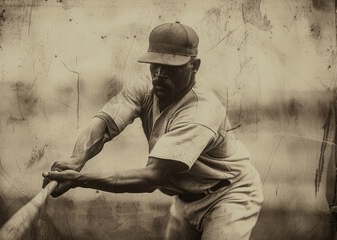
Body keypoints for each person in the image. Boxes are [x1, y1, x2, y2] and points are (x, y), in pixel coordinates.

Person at [42, 21, 263, 240]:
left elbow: (151, 178)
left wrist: (80, 179)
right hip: (185, 198)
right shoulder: (145, 87)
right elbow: (104, 123)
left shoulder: (200, 112)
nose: (159, 73)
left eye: (171, 66)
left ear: (194, 66)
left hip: (229, 196)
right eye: (155, 63)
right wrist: (76, 159)